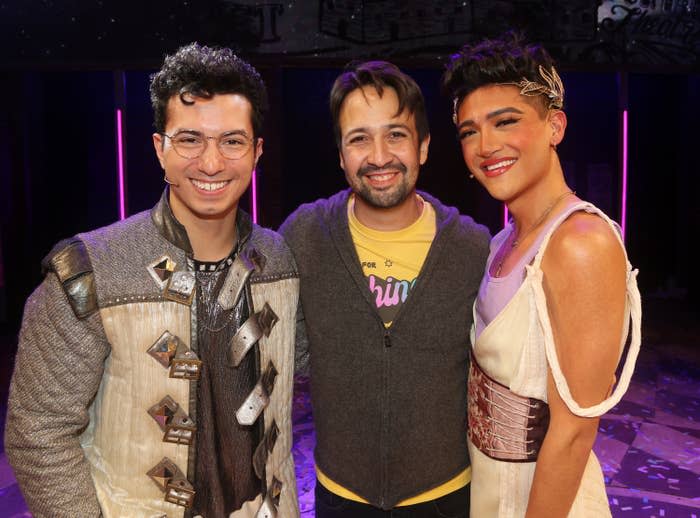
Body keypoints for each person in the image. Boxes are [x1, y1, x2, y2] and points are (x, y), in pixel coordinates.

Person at [5, 43, 300, 518]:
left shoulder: (279, 258)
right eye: (189, 139)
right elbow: (39, 431)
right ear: (159, 148)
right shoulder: (90, 268)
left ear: (256, 152)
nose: (210, 162)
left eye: (232, 140)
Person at [442, 34, 642, 517]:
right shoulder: (500, 242)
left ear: (555, 125)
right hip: (490, 485)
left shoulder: (580, 244)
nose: (486, 146)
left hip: (547, 499)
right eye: (469, 131)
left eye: (505, 122)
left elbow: (574, 433)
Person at [279, 61, 490, 518]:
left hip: (447, 495)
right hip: (341, 496)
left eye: (396, 134)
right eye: (359, 138)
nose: (378, 156)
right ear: (340, 154)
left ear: (424, 147)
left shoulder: (471, 247)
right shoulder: (305, 236)